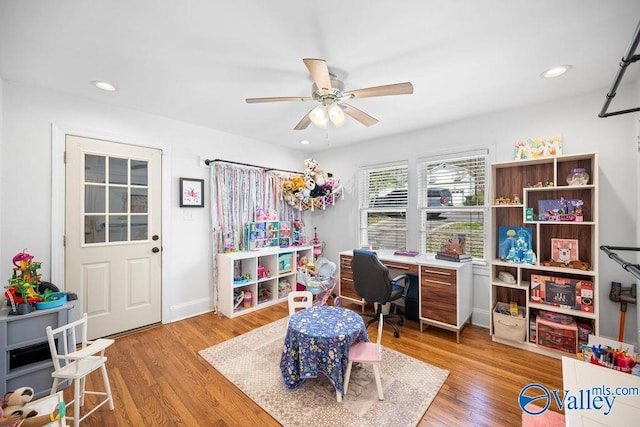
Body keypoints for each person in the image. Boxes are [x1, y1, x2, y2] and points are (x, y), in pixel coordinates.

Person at [0, 392, 64, 427]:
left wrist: (7, 400)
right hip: (5, 421)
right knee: (25, 423)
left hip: (5, 415)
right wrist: (6, 421)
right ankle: (53, 416)